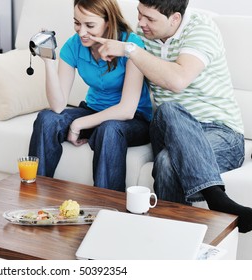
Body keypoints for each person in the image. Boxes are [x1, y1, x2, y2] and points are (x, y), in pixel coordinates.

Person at [91, 0, 252, 233]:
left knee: (166, 162)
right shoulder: (141, 38)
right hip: (167, 129)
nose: (141, 23)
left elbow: (178, 80)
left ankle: (171, 237)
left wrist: (130, 50)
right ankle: (216, 197)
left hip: (221, 134)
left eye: (150, 19)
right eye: (139, 14)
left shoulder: (200, 29)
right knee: (168, 110)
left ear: (175, 18)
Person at [28, 0, 152, 191]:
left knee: (109, 130)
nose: (81, 32)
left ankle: (108, 210)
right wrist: (48, 62)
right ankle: (34, 197)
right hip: (94, 111)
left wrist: (79, 124)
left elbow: (127, 110)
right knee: (47, 119)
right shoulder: (73, 46)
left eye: (90, 25)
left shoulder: (131, 45)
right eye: (77, 23)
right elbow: (58, 106)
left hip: (133, 120)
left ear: (108, 22)